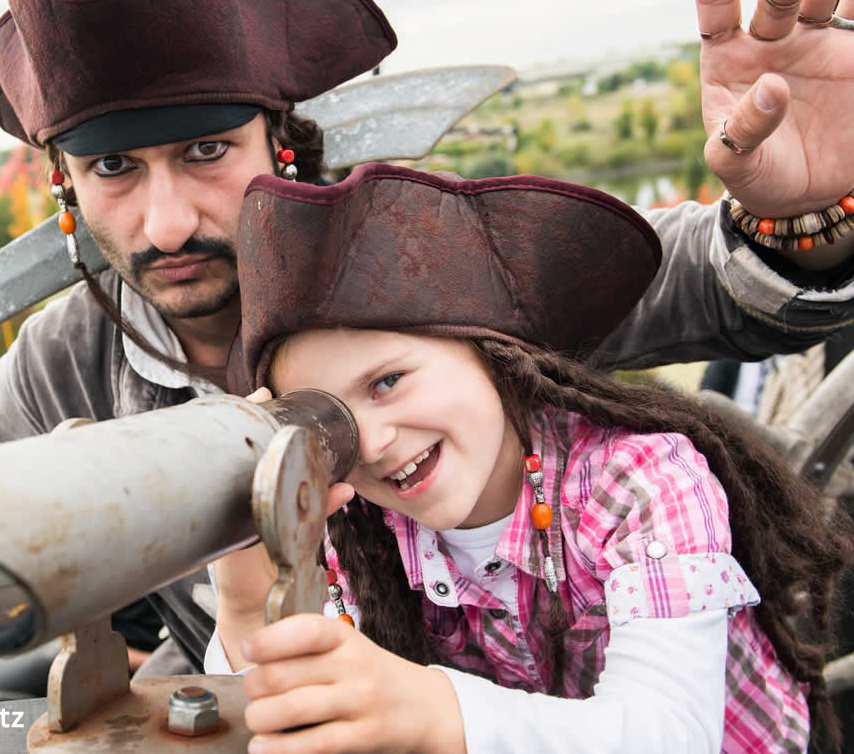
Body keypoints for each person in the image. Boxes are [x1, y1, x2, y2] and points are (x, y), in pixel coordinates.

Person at [0, 0, 854, 680]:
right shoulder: (73, 356)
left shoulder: (413, 266)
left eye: (204, 152)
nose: (168, 220)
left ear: (280, 142)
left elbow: (706, 278)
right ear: (62, 190)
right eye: (115, 172)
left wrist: (801, 216)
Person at [210, 163, 854, 754]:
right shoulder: (361, 536)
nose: (375, 443)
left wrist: (440, 714)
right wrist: (247, 606)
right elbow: (288, 720)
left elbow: (671, 734)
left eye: (389, 382)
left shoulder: (640, 484)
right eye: (338, 427)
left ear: (492, 352)